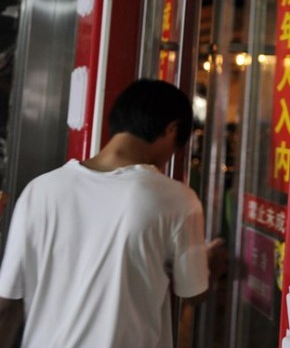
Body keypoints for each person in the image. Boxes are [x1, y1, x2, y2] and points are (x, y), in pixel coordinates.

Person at [0, 79, 219, 348]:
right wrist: (210, 264)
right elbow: (193, 291)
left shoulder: (40, 191)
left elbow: (7, 303)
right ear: (171, 129)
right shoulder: (177, 199)